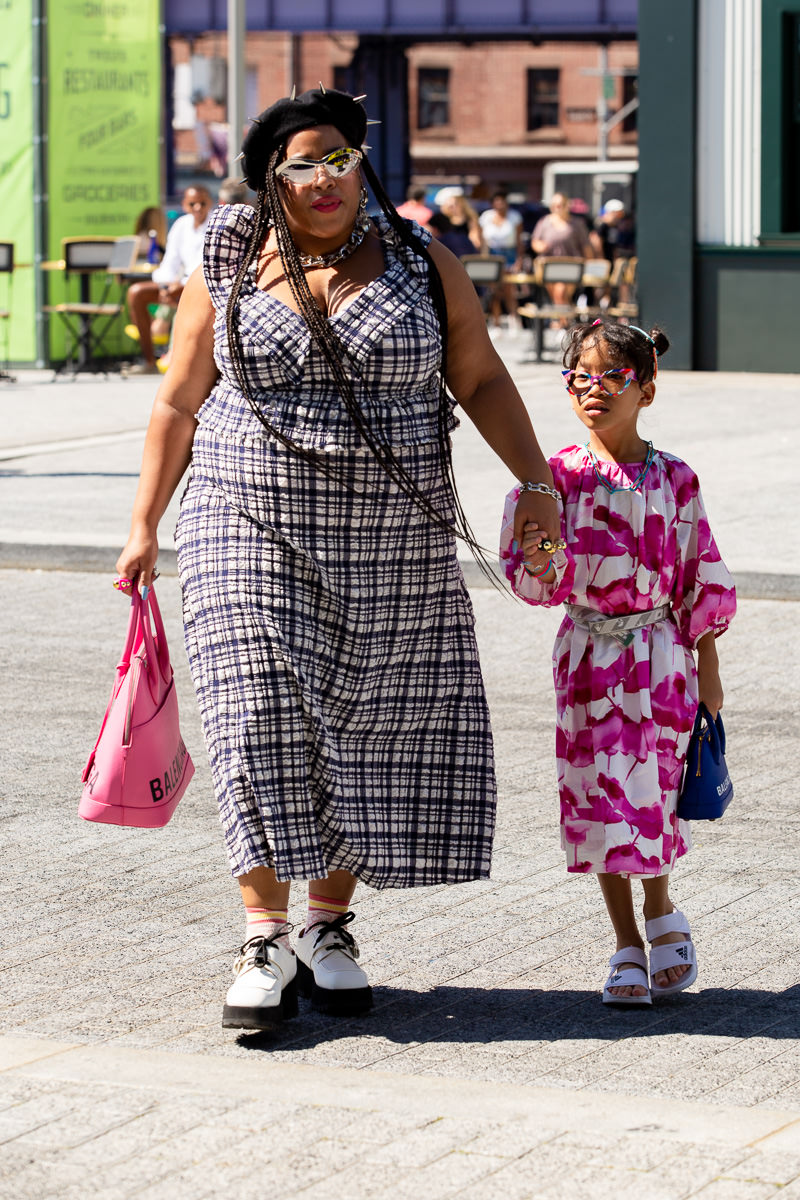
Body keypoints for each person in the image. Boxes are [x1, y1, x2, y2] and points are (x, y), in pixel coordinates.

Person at [115, 88, 560, 1032]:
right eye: (302, 166)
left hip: (389, 536)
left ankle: (328, 926)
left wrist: (537, 484)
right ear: (269, 180)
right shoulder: (231, 257)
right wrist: (144, 523)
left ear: (365, 164)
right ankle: (264, 935)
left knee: (365, 725)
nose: (325, 181)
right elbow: (178, 401)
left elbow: (477, 376)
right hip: (246, 519)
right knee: (255, 713)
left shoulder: (420, 262)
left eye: (341, 160)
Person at [500, 319, 736, 1007]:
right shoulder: (550, 480)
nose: (593, 389)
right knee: (600, 791)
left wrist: (709, 665)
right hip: (587, 654)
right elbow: (537, 579)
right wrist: (543, 554)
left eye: (612, 376)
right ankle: (626, 941)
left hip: (661, 653)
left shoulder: (677, 479)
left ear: (648, 389)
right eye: (581, 376)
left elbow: (700, 572)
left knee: (656, 790)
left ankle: (663, 909)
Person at [122, 186, 213, 376]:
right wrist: (166, 285)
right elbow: (170, 261)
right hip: (179, 283)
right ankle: (149, 361)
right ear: (184, 205)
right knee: (136, 293)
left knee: (183, 295)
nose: (197, 207)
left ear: (209, 203)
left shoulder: (215, 224)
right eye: (192, 204)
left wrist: (180, 284)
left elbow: (207, 267)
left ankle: (174, 354)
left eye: (202, 203)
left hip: (203, 286)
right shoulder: (181, 225)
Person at [530, 192, 593, 311]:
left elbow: (586, 246)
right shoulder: (544, 222)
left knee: (561, 292)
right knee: (557, 296)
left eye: (560, 205)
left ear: (567, 205)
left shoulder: (577, 224)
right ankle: (564, 323)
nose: (557, 208)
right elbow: (535, 241)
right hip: (549, 265)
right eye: (554, 205)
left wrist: (591, 264)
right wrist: (540, 246)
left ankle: (561, 323)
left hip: (571, 265)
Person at [478, 191, 524, 330]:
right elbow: (482, 240)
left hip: (509, 255)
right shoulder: (486, 217)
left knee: (509, 289)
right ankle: (496, 322)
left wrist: (519, 260)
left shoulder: (515, 217)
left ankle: (514, 319)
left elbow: (519, 241)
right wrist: (483, 259)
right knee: (494, 291)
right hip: (492, 255)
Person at [434, 186, 483, 253]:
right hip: (447, 255)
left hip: (464, 255)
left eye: (455, 204)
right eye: (450, 206)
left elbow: (476, 242)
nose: (453, 208)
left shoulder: (470, 219)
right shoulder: (440, 220)